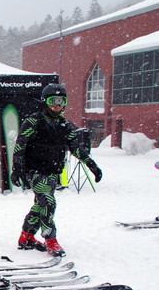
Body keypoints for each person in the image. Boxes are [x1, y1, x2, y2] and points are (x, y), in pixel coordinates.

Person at [12, 83, 102, 257]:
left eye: (61, 101)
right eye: (53, 101)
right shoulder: (33, 121)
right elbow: (20, 146)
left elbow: (76, 148)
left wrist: (92, 165)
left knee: (40, 206)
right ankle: (50, 239)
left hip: (52, 172)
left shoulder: (64, 125)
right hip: (35, 171)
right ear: (45, 102)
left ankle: (26, 237)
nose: (57, 106)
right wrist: (17, 169)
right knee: (48, 202)